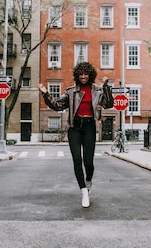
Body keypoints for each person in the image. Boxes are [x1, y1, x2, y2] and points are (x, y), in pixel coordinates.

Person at [38, 62, 114, 208]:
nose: (83, 76)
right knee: (77, 160)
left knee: (89, 162)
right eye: (81, 74)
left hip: (89, 127)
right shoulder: (71, 92)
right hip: (74, 128)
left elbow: (109, 104)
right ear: (77, 75)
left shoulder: (97, 90)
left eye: (86, 74)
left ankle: (88, 179)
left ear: (90, 75)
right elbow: (57, 105)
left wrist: (105, 87)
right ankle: (84, 191)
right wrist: (45, 93)